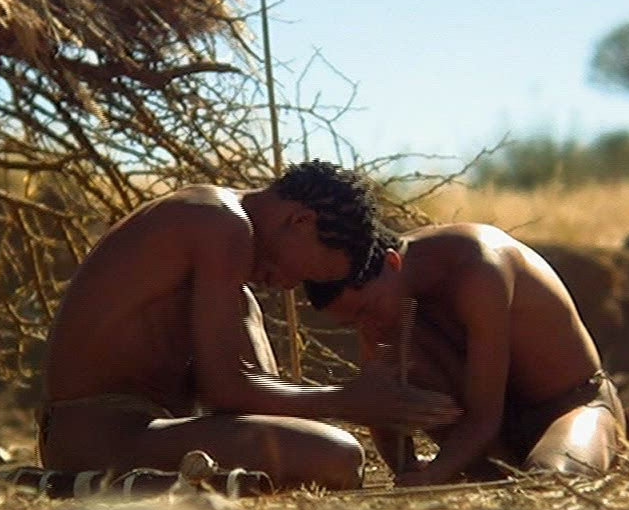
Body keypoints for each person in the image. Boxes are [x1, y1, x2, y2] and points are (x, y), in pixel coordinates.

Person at [38, 161, 462, 490]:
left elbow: (244, 405)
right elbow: (226, 389)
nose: (289, 285)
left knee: (314, 438)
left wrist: (367, 402)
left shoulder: (227, 253)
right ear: (301, 221)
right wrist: (349, 400)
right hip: (99, 434)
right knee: (337, 456)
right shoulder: (220, 223)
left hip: (137, 431)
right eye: (304, 271)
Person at [307, 223, 629, 487]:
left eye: (367, 310)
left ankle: (601, 431)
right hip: (496, 441)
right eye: (352, 322)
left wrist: (436, 474)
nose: (366, 324)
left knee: (550, 480)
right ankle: (490, 466)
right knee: (397, 345)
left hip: (570, 405)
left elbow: (484, 416)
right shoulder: (386, 304)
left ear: (393, 264)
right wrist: (408, 471)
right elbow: (382, 401)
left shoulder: (479, 265)